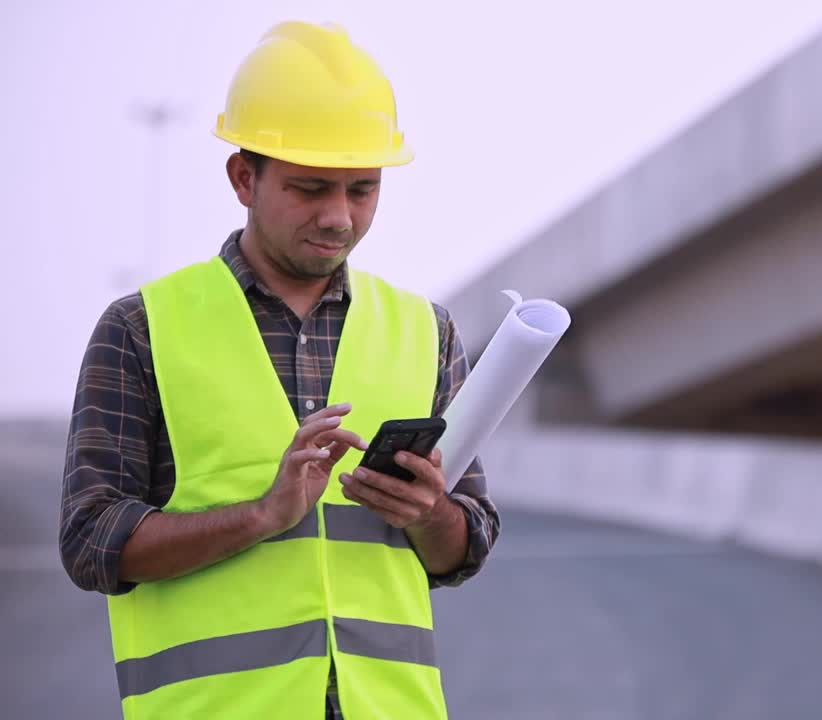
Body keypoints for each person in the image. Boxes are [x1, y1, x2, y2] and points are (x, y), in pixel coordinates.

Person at [57, 20, 499, 720]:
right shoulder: (139, 330)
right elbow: (91, 544)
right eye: (311, 187)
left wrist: (429, 513)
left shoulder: (427, 331)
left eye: (362, 189)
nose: (339, 217)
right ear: (243, 177)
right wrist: (264, 514)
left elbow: (464, 546)